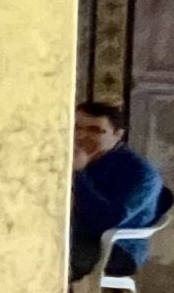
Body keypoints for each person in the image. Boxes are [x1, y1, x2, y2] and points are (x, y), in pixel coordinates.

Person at [71, 101, 165, 282]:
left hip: (116, 248)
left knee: (45, 256)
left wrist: (78, 174)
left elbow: (105, 221)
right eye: (76, 127)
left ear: (117, 135)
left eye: (94, 130)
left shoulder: (140, 172)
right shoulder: (69, 157)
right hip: (74, 237)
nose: (81, 135)